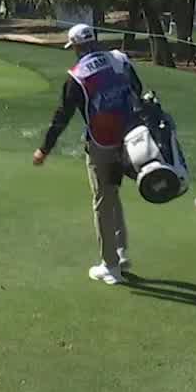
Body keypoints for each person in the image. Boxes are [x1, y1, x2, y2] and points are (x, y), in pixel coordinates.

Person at [34, 24, 145, 285]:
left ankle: (111, 267)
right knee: (111, 193)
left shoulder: (77, 76)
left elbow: (62, 116)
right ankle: (119, 251)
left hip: (101, 143)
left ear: (76, 46)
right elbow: (136, 90)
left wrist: (44, 149)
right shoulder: (118, 59)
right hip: (128, 138)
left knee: (102, 201)